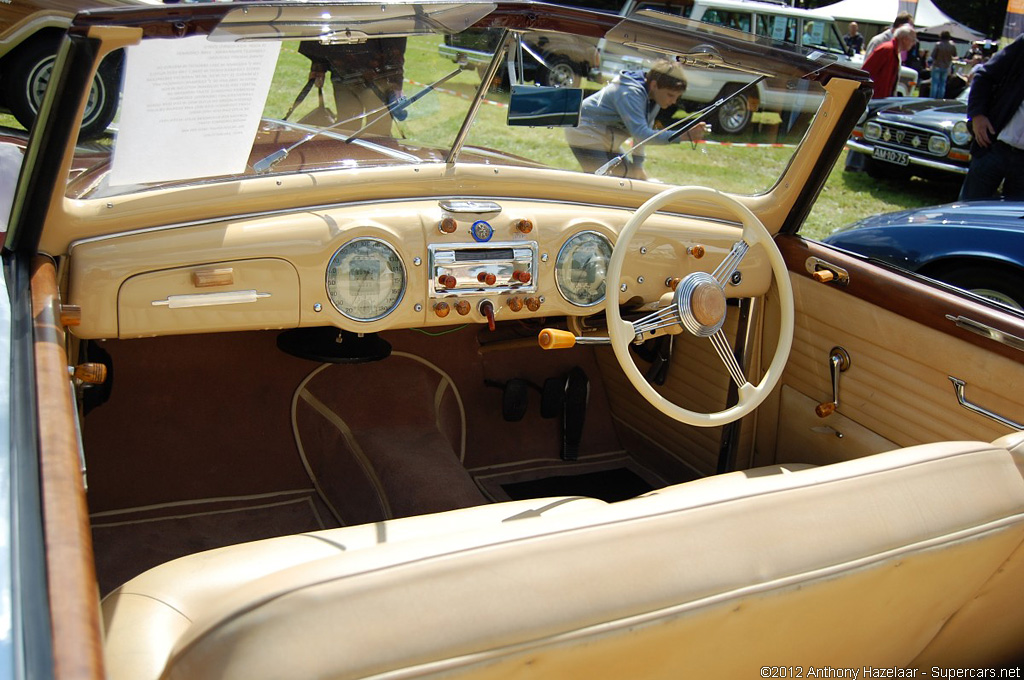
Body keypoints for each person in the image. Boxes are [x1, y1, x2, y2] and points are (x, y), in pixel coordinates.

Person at [564, 60, 708, 180]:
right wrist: (682, 135)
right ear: (654, 85)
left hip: (606, 137)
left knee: (631, 178)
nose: (673, 101)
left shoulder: (654, 98)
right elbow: (641, 134)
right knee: (602, 183)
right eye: (670, 95)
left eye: (677, 97)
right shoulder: (631, 93)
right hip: (585, 131)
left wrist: (638, 166)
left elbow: (642, 133)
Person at [298, 37, 407, 136]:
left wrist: (394, 83)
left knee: (378, 130)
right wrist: (318, 67)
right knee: (347, 128)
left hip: (378, 76)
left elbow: (394, 34)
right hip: (344, 71)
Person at [959, 36, 1024, 200]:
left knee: (1012, 224)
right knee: (966, 214)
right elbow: (983, 75)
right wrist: (977, 115)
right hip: (994, 146)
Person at [862, 25, 917, 99]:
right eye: (913, 40)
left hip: (882, 100)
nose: (914, 43)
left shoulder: (896, 52)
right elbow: (866, 72)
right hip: (873, 100)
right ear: (905, 39)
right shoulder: (886, 49)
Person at [930, 31, 958, 99]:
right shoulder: (952, 45)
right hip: (946, 66)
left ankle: (932, 98)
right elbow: (955, 55)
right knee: (943, 84)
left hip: (937, 65)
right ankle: (940, 98)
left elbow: (933, 55)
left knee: (935, 83)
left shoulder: (938, 44)